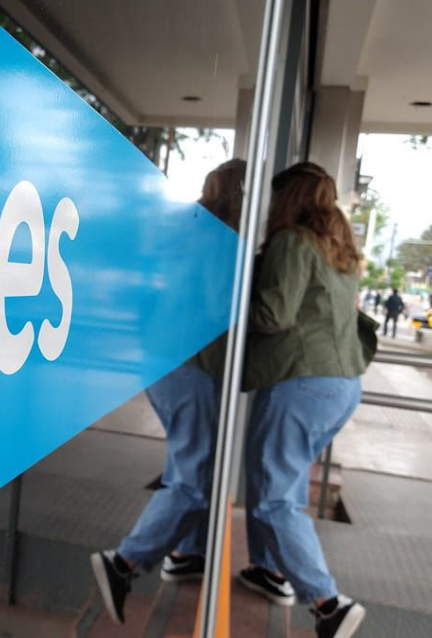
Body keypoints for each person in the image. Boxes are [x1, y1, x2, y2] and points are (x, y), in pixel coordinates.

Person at [88, 160, 290, 624]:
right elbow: (223, 306)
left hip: (162, 359)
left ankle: (185, 554)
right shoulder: (221, 240)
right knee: (194, 476)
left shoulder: (188, 229)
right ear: (243, 195)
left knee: (188, 460)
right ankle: (125, 562)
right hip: (190, 364)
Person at [240, 162, 366, 638]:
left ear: (286, 198)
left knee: (274, 496)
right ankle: (271, 570)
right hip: (341, 384)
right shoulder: (339, 250)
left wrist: (226, 302)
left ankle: (328, 603)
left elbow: (274, 314)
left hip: (302, 381)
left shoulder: (292, 242)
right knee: (284, 480)